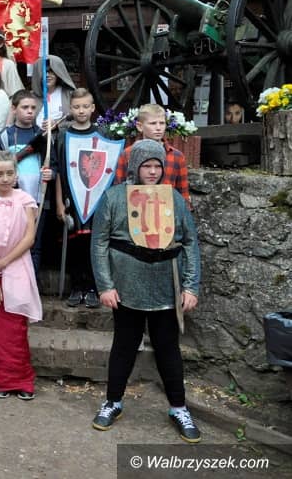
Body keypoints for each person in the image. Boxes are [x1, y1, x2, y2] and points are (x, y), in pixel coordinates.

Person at [90, 139, 202, 443]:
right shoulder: (114, 197)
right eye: (146, 165)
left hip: (166, 285)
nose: (152, 171)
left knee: (168, 347)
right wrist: (105, 285)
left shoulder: (173, 199)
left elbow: (189, 242)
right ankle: (113, 402)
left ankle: (178, 407)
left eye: (157, 166)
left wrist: (190, 285)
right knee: (124, 346)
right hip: (126, 286)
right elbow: (99, 243)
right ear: (135, 166)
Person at [0, 150, 42, 399]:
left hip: (17, 266)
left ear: (16, 174)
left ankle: (22, 380)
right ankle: (1, 379)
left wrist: (2, 263)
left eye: (9, 173)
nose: (5, 178)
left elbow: (29, 238)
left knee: (16, 327)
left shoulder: (25, 200)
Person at [54, 89, 113, 309]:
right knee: (74, 245)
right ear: (70, 109)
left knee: (93, 245)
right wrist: (59, 202)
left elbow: (107, 169)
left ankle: (92, 288)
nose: (81, 111)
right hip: (72, 198)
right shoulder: (64, 135)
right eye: (77, 107)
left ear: (92, 108)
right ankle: (76, 286)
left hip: (96, 199)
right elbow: (59, 171)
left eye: (85, 106)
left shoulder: (102, 134)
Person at [0, 90, 54, 273]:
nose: (30, 111)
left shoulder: (44, 136)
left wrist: (51, 173)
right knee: (12, 242)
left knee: (33, 244)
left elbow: (54, 163)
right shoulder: (5, 136)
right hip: (11, 199)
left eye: (33, 108)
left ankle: (31, 284)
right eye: (25, 107)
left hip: (38, 198)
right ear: (14, 109)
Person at [113, 103, 191, 205]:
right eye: (153, 123)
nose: (158, 128)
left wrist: (185, 210)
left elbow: (183, 195)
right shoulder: (127, 154)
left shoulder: (177, 156)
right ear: (140, 126)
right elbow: (118, 191)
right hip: (134, 209)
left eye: (162, 123)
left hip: (168, 211)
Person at [31, 55, 77, 127]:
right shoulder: (30, 97)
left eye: (51, 71)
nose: (47, 75)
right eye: (44, 72)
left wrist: (56, 125)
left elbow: (79, 121)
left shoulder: (70, 94)